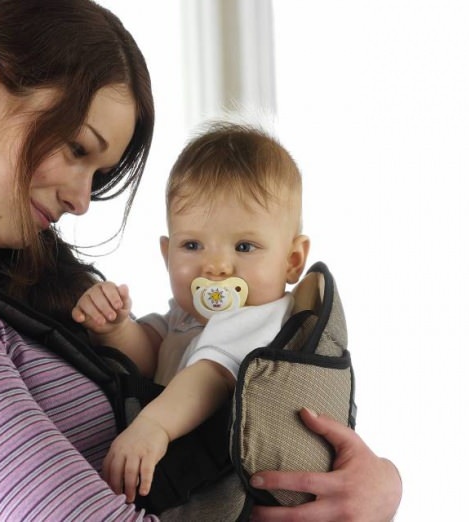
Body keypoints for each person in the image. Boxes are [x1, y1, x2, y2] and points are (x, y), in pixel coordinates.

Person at [0, 1, 402, 520]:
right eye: (76, 149)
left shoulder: (10, 277)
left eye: (97, 175)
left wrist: (375, 488)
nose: (80, 199)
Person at [72, 122, 312, 504]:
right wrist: (115, 329)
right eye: (193, 244)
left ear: (292, 261)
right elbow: (150, 355)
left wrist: (153, 426)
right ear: (167, 255)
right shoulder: (188, 318)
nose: (215, 267)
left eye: (245, 247)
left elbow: (210, 377)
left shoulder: (264, 319)